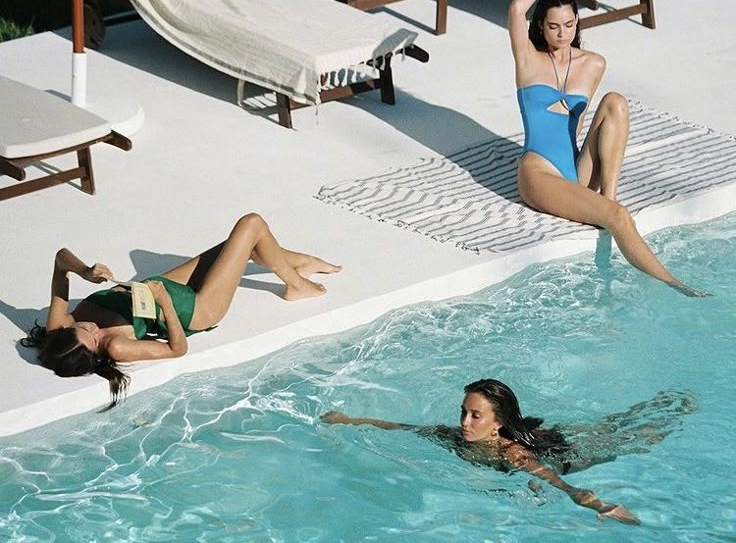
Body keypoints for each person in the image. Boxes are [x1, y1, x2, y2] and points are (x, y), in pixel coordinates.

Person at [509, 0, 704, 296]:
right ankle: (676, 286)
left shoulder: (593, 64)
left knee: (616, 101)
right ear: (541, 27)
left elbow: (581, 126)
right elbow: (517, 8)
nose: (563, 33)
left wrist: (588, 172)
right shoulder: (529, 60)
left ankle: (607, 197)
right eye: (554, 26)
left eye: (569, 24)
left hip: (573, 168)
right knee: (619, 216)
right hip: (538, 172)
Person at [22, 213, 341, 407]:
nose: (93, 328)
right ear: (95, 355)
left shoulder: (58, 325)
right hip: (195, 310)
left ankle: (297, 266)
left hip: (159, 287)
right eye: (93, 339)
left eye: (84, 328)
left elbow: (61, 259)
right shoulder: (116, 346)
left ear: (65, 331)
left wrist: (86, 271)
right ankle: (296, 284)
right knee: (251, 225)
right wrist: (164, 305)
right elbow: (177, 349)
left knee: (240, 246)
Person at [322, 379, 696, 525]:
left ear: (497, 423)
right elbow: (401, 428)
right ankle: (663, 403)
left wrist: (598, 504)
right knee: (612, 424)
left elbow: (554, 480)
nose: (465, 422)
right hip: (543, 437)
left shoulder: (511, 454)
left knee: (627, 438)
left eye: (475, 415)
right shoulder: (454, 436)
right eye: (464, 413)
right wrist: (349, 419)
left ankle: (675, 407)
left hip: (568, 452)